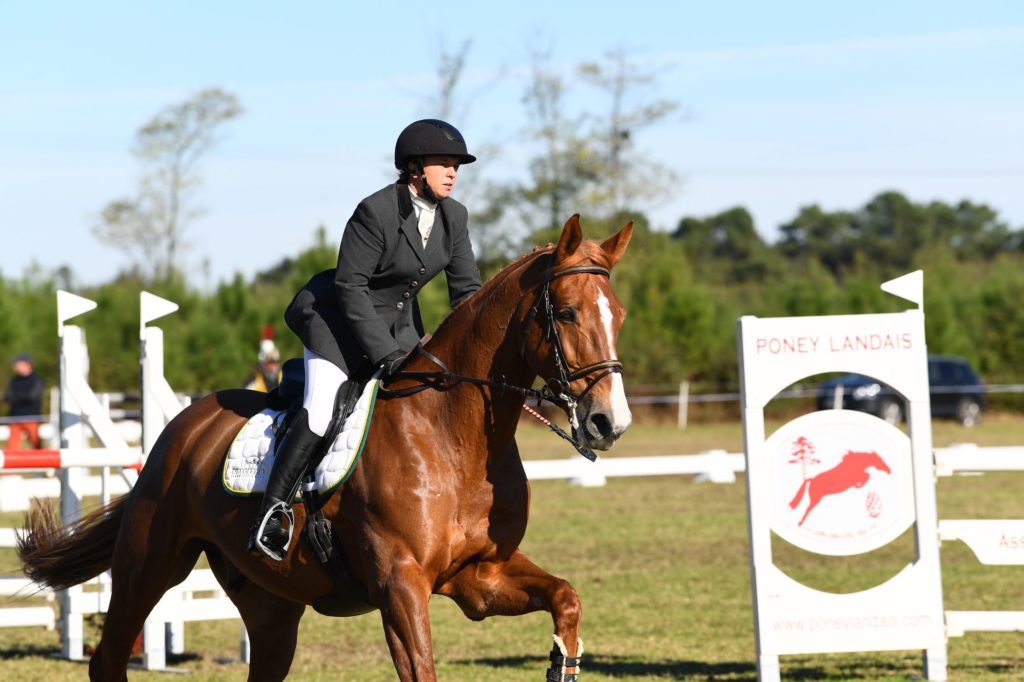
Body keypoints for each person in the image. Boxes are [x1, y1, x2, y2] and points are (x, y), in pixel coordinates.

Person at [248, 119, 482, 560]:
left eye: (457, 166)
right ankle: (273, 512)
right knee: (321, 410)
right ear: (415, 168)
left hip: (399, 328)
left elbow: (468, 294)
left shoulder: (455, 217)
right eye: (444, 164)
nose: (453, 173)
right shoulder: (374, 211)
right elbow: (350, 287)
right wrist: (386, 353)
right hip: (335, 322)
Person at [3, 353, 45, 450]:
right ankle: (12, 464)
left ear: (26, 364)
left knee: (36, 445)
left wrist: (15, 397)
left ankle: (40, 464)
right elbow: (7, 396)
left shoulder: (36, 379)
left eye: (17, 364)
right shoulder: (14, 380)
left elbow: (32, 397)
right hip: (15, 417)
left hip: (31, 417)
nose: (15, 366)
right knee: (11, 447)